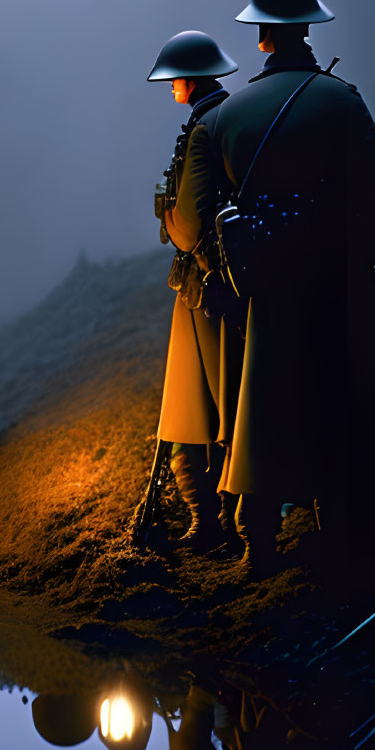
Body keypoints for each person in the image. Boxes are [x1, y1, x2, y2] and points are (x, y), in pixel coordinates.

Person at [201, 0, 375, 574]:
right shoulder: (341, 99)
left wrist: (251, 274)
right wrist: (350, 265)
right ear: (307, 28)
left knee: (265, 407)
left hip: (265, 288)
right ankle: (349, 529)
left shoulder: (225, 118)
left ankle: (258, 541)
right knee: (345, 401)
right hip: (338, 281)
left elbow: (217, 217)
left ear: (263, 35)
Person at [145, 31, 244, 553]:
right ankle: (218, 521)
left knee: (209, 407)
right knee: (220, 406)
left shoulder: (204, 128)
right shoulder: (233, 117)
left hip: (208, 285)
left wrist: (167, 213)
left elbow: (186, 225)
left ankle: (217, 525)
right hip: (226, 281)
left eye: (174, 80)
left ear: (190, 79)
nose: (170, 89)